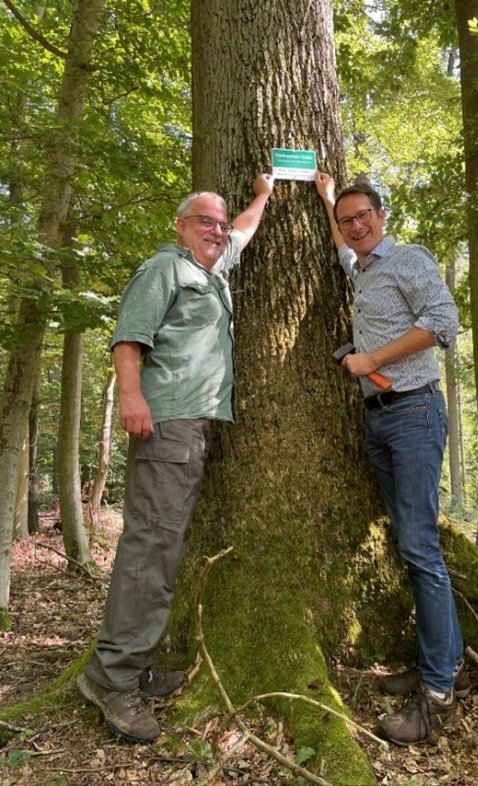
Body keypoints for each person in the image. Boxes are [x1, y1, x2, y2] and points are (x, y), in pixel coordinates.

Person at [77, 174, 274, 743]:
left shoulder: (209, 268)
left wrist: (262, 195)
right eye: (204, 221)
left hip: (193, 424)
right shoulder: (166, 268)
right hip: (166, 421)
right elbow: (128, 339)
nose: (216, 229)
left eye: (219, 221)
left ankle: (129, 666)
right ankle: (109, 678)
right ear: (181, 226)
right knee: (152, 549)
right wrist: (133, 397)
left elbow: (241, 232)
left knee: (163, 548)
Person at [315, 171, 468, 746]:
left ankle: (436, 691)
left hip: (413, 413)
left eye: (363, 216)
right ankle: (441, 660)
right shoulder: (360, 266)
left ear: (382, 216)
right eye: (346, 220)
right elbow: (342, 248)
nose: (355, 226)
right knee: (410, 539)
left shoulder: (408, 260)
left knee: (420, 546)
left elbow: (442, 323)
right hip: (379, 417)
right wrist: (327, 199)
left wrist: (370, 356)